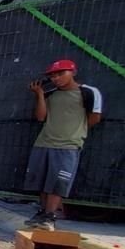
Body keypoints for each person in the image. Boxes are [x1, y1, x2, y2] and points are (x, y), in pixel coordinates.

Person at [24, 59, 102, 231]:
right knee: (42, 180)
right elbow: (40, 117)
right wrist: (39, 94)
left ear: (73, 72)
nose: (56, 78)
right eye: (53, 76)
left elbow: (95, 117)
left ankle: (50, 216)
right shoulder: (51, 94)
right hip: (44, 141)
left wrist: (75, 131)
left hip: (68, 144)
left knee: (58, 181)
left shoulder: (88, 92)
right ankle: (42, 212)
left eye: (61, 74)